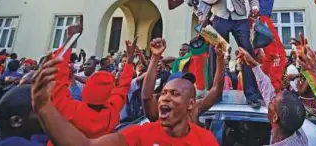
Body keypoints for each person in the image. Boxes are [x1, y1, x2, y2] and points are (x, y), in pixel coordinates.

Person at [32, 40, 219, 146]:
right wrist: (43, 108)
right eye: (163, 93)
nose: (166, 97)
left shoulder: (205, 140)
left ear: (191, 103)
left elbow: (216, 89)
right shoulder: (140, 134)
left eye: (175, 94)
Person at [49, 19, 135, 139]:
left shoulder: (70, 110)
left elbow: (58, 77)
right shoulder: (112, 112)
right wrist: (130, 60)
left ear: (87, 88)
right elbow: (123, 87)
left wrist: (70, 40)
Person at [142, 38, 225, 124]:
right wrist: (155, 57)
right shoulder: (159, 112)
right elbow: (147, 97)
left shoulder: (193, 109)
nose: (185, 90)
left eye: (186, 86)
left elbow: (216, 89)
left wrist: (220, 59)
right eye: (175, 92)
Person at [236, 48, 308, 145]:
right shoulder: (297, 132)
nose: (270, 99)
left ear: (275, 117)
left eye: (273, 101)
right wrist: (253, 64)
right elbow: (267, 90)